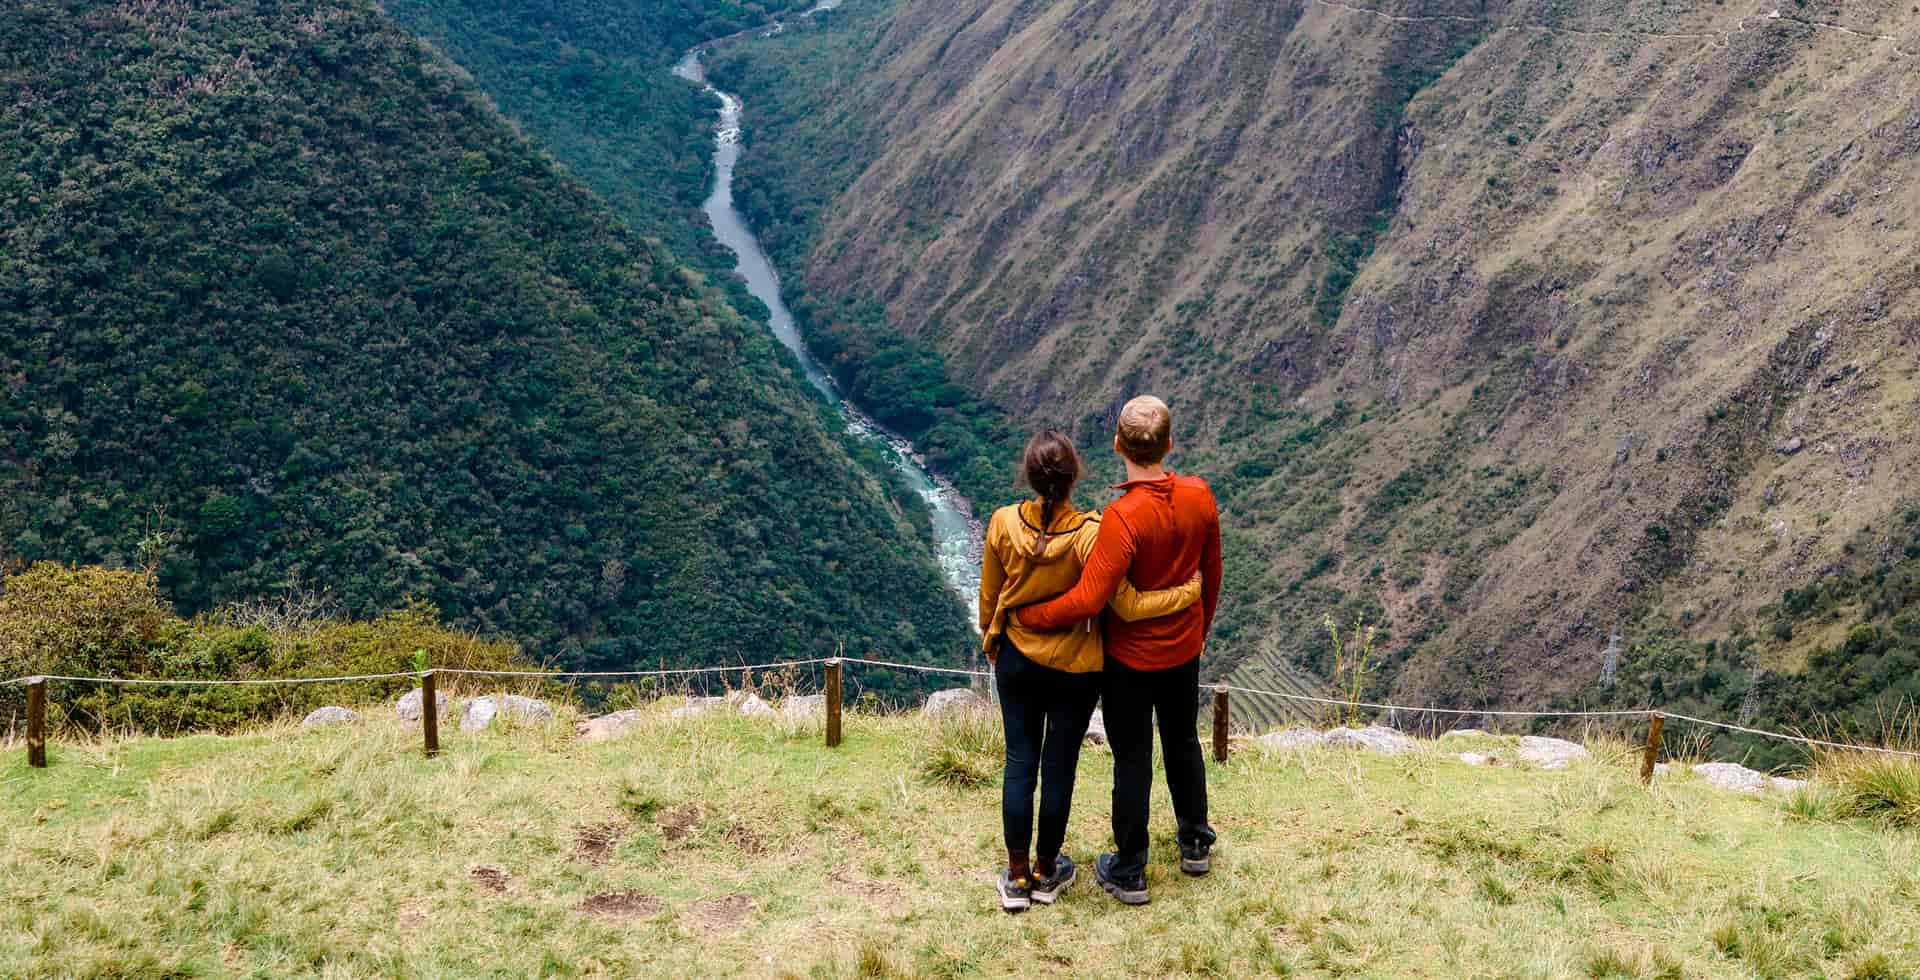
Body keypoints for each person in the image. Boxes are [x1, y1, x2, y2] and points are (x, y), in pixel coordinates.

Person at [978, 428, 1202, 914]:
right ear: (1075, 475)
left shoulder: (1001, 523)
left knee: (1020, 762)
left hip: (1016, 657)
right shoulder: (1091, 534)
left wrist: (992, 638)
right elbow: (1122, 604)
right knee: (1059, 765)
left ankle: (1016, 878)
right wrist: (1187, 595)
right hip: (1075, 668)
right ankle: (1046, 871)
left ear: (1031, 475)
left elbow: (990, 595)